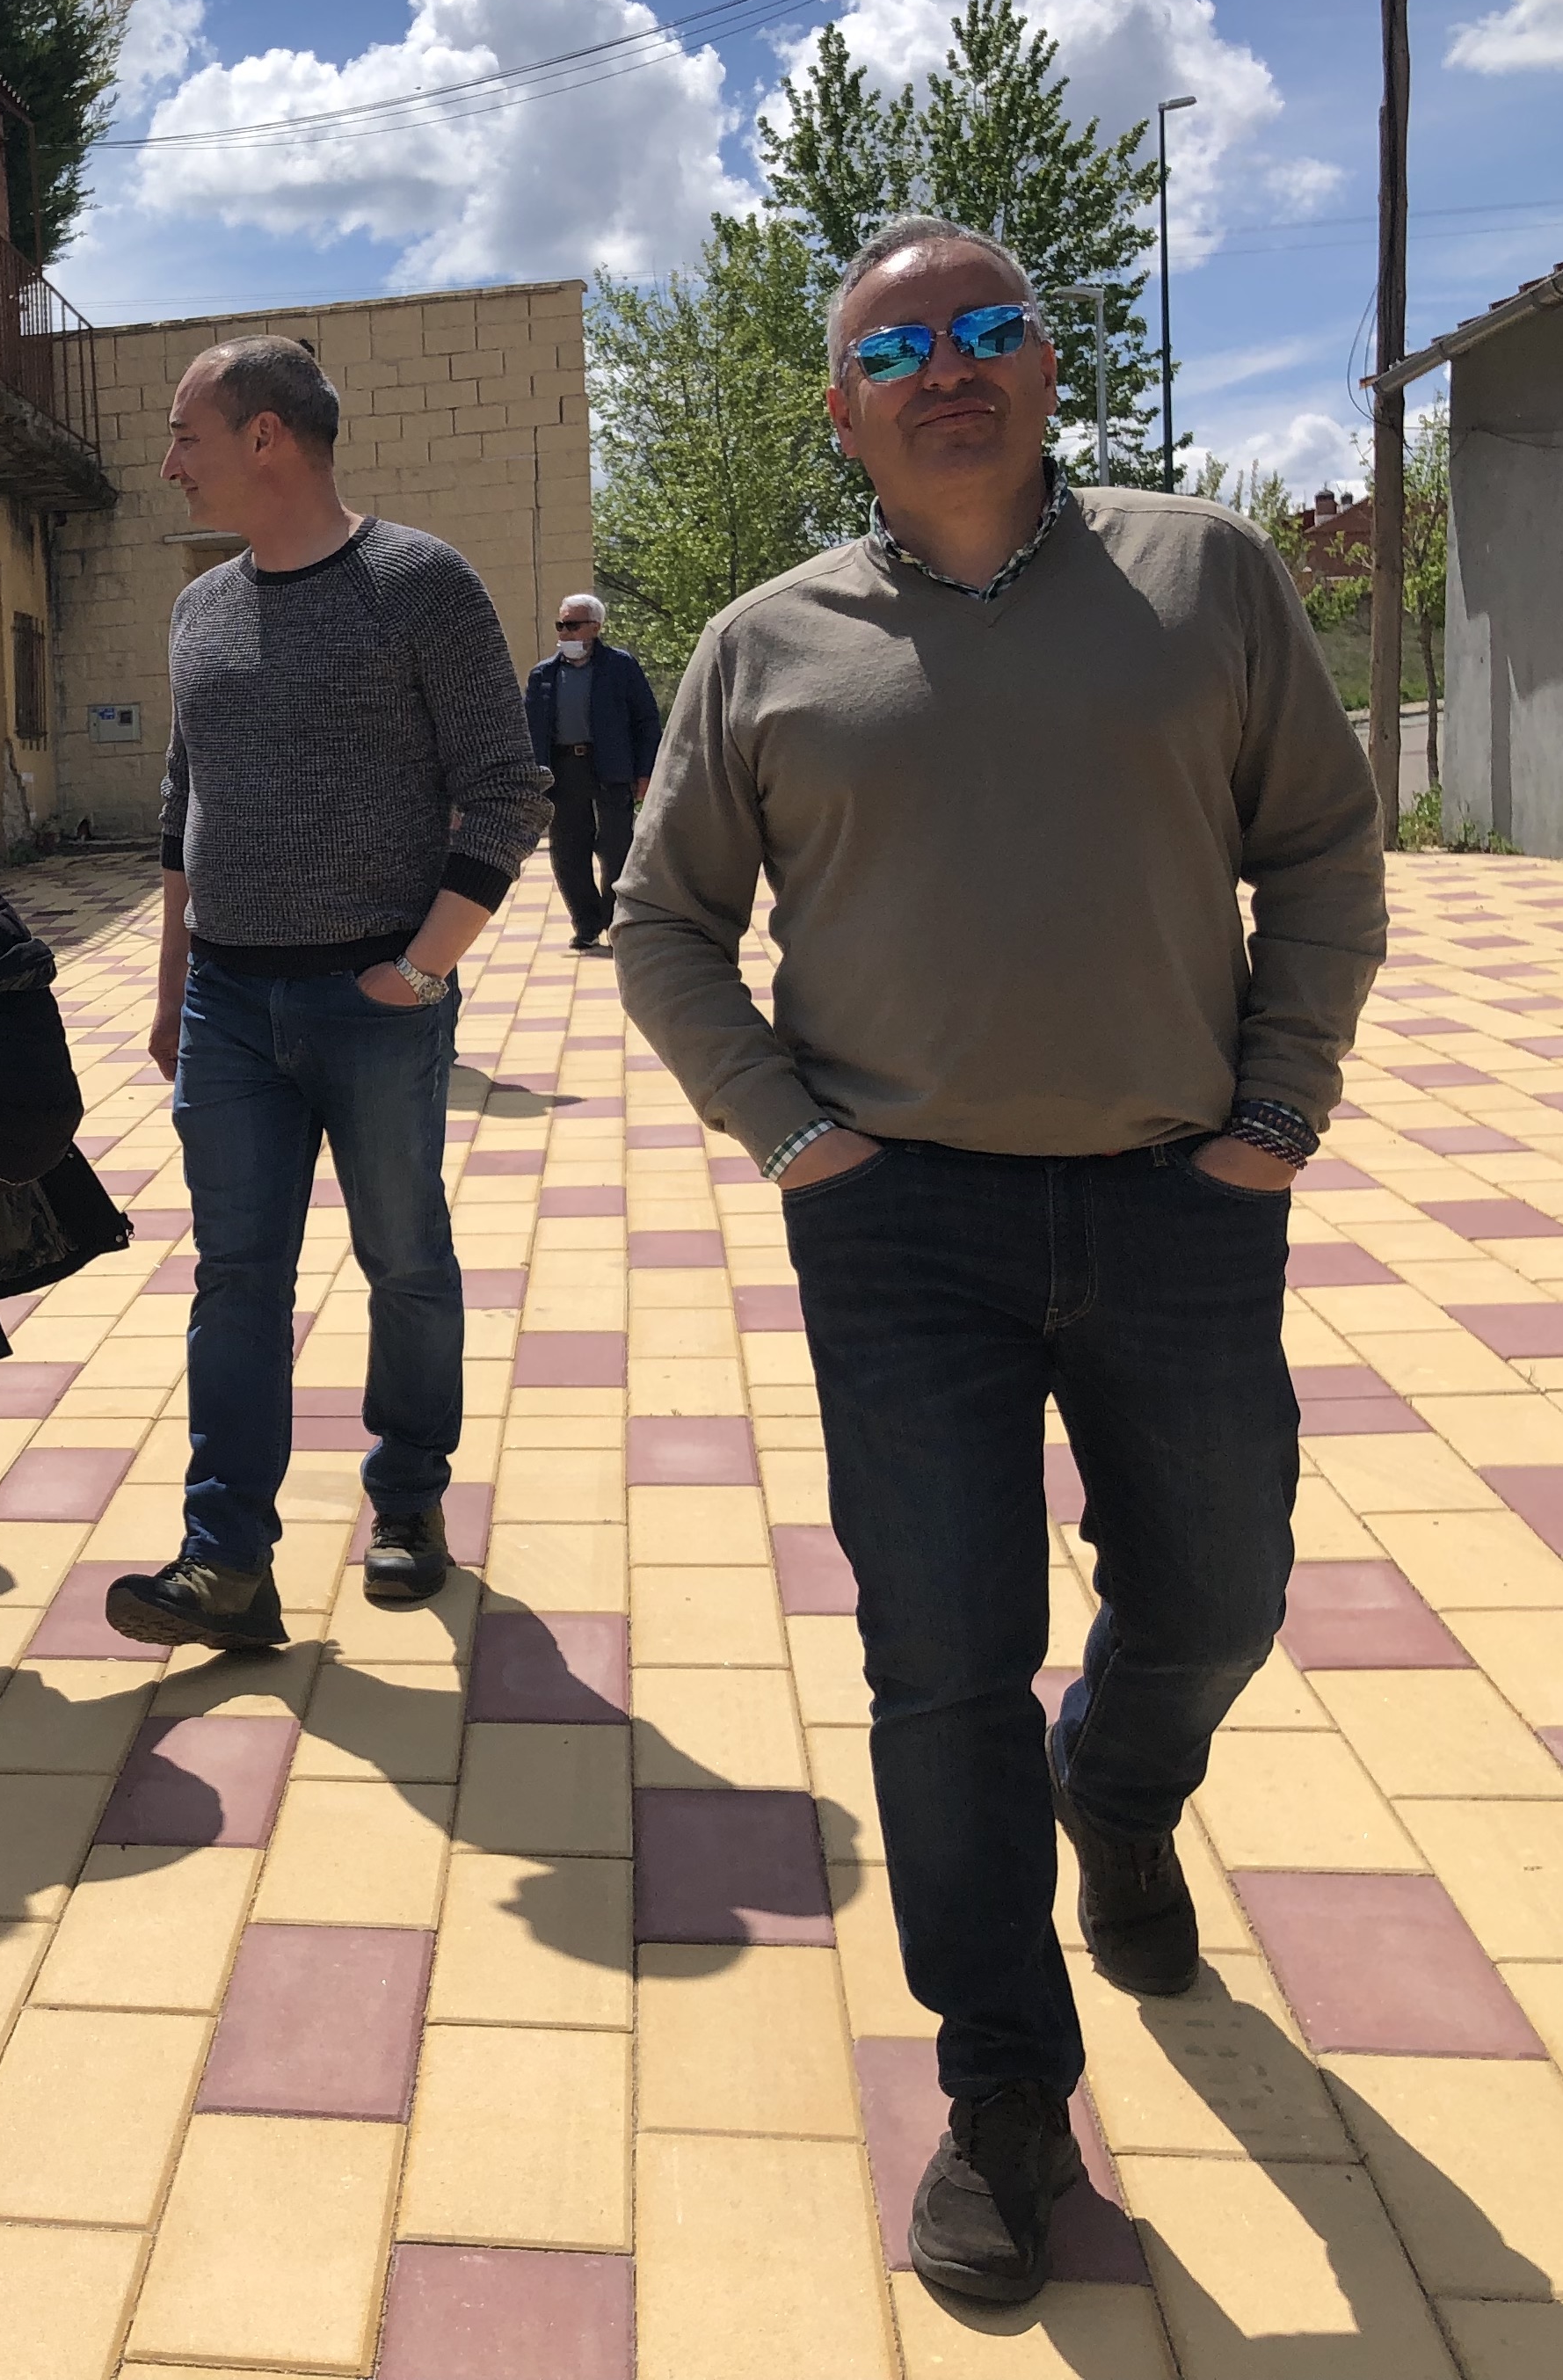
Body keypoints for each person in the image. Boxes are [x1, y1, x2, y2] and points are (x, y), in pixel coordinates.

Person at [614, 217, 1383, 2305]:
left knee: (1219, 1592)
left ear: (1048, 363)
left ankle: (1118, 1791)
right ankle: (1005, 2091)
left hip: (1178, 1201)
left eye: (987, 329)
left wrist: (1278, 1115)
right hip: (903, 1230)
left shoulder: (1204, 577)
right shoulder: (767, 645)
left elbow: (1323, 847)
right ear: (842, 410)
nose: (946, 367)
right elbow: (664, 924)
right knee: (942, 1662)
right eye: (898, 349)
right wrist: (792, 1137)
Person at [108, 338, 545, 1653]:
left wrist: (423, 969)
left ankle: (407, 1496)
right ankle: (226, 1559)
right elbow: (184, 806)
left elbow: (506, 789)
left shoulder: (420, 585)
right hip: (228, 1007)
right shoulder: (200, 608)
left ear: (267, 438)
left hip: (375, 1002)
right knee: (236, 1277)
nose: (169, 462)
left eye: (186, 433)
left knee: (403, 1258)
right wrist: (172, 986)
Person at [523, 591, 659, 954]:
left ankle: (616, 921)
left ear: (595, 628)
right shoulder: (543, 675)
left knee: (616, 848)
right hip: (562, 773)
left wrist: (645, 772)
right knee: (568, 852)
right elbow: (528, 731)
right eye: (561, 625)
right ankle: (586, 924)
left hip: (611, 769)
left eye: (573, 625)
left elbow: (647, 721)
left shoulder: (620, 667)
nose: (565, 633)